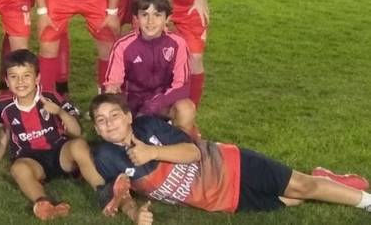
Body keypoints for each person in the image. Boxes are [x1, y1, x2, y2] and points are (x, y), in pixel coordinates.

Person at [89, 94, 371, 220]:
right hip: (220, 199)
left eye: (115, 115)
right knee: (293, 199)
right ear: (96, 129)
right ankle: (324, 178)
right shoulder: (104, 155)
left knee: (302, 187)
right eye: (101, 120)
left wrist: (152, 152)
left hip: (230, 164)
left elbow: (193, 153)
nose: (109, 123)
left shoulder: (148, 126)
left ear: (128, 116)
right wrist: (133, 212)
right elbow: (119, 193)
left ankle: (366, 202)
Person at [0, 50, 104, 221]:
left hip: (60, 152)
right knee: (17, 169)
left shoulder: (50, 96)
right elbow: (5, 129)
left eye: (26, 75)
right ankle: (44, 203)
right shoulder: (2, 105)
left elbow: (77, 132)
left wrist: (60, 112)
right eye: (14, 77)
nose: (20, 82)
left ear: (37, 78)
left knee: (79, 145)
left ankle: (104, 192)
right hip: (31, 159)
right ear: (6, 81)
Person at [102, 0, 196, 134]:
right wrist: (113, 89)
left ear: (167, 18)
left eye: (157, 15)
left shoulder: (178, 44)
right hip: (131, 106)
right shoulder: (123, 45)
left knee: (186, 108)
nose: (150, 21)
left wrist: (153, 105)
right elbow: (112, 83)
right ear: (136, 17)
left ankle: (180, 143)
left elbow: (181, 87)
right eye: (144, 15)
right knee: (111, 110)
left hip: (161, 104)